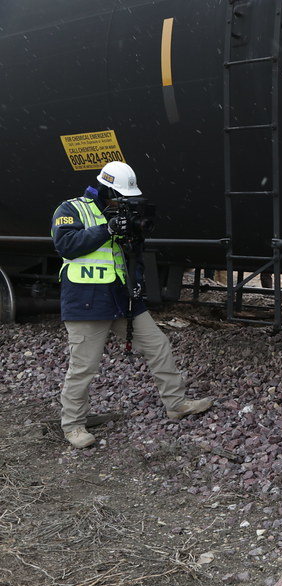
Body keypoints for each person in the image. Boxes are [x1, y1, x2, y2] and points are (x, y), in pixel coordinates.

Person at [52, 161, 213, 449]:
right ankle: (73, 426)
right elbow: (66, 245)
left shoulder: (124, 214)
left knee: (158, 345)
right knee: (84, 367)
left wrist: (137, 280)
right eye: (116, 195)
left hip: (122, 298)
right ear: (103, 188)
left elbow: (133, 255)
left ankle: (176, 404)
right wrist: (107, 228)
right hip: (86, 303)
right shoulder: (71, 209)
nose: (120, 201)